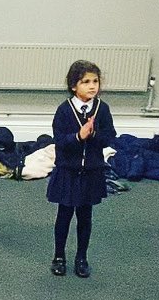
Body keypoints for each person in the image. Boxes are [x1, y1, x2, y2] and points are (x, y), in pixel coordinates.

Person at [47, 61, 117, 279]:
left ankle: (81, 257)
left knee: (85, 217)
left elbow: (110, 136)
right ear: (73, 85)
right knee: (64, 216)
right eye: (85, 82)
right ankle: (59, 256)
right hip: (68, 171)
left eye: (95, 81)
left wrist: (93, 135)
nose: (91, 86)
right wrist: (78, 137)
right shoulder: (64, 110)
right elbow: (59, 140)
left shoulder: (102, 109)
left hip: (91, 172)